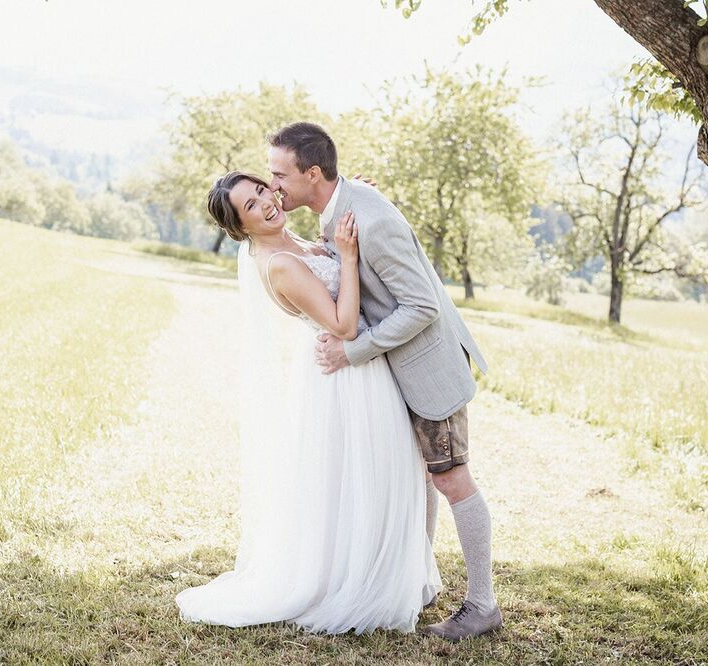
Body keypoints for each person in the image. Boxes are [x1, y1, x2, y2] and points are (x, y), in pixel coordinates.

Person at [174, 170, 440, 635]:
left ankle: (386, 571)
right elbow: (344, 325)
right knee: (362, 475)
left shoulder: (290, 239)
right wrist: (348, 256)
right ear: (240, 227)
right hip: (344, 376)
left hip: (360, 368)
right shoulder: (278, 263)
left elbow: (323, 228)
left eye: (261, 190)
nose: (266, 203)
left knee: (378, 473)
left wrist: (349, 199)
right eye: (251, 206)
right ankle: (357, 581)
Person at [267, 122, 502, 640]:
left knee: (450, 478)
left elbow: (421, 305)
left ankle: (482, 605)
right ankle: (416, 582)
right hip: (398, 369)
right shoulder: (338, 209)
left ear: (312, 173)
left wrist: (353, 351)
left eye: (279, 174)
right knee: (419, 478)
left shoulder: (368, 218)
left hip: (429, 369)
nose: (273, 185)